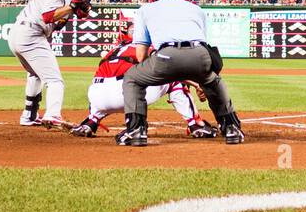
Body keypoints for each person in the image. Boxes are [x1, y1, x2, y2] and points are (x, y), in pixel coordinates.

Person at [118, 0, 243, 147]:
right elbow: (202, 43)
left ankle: (136, 130)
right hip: (200, 54)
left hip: (166, 56)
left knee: (132, 78)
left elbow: (140, 56)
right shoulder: (196, 9)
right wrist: (199, 81)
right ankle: (231, 128)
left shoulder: (145, 10)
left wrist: (155, 71)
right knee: (213, 81)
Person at [70, 32, 216, 138]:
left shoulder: (113, 50)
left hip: (97, 97)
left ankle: (89, 123)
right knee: (174, 81)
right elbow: (169, 69)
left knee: (102, 84)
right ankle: (196, 125)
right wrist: (196, 84)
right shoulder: (145, 46)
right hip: (125, 96)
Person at [7, 0, 92, 128]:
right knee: (55, 81)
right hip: (31, 34)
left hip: (20, 33)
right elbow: (47, 17)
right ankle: (53, 114)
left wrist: (81, 10)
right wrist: (72, 8)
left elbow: (61, 22)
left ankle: (29, 115)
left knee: (35, 75)